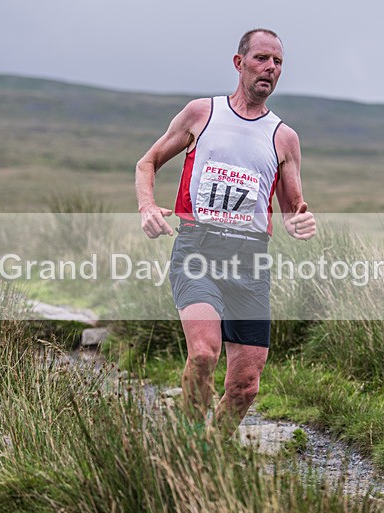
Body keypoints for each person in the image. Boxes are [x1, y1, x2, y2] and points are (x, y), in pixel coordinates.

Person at [135, 28, 316, 438]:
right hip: (198, 248)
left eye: (278, 62)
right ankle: (185, 444)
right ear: (239, 63)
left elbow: (293, 208)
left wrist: (300, 220)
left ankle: (210, 456)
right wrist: (147, 206)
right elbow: (147, 163)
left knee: (245, 386)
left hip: (250, 260)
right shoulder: (202, 113)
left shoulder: (284, 138)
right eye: (262, 59)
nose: (270, 68)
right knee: (202, 354)